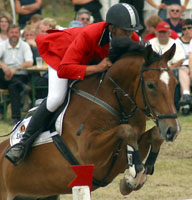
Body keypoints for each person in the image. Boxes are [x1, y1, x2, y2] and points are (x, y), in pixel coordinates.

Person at [5, 3, 143, 166]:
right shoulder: (90, 34)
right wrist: (96, 68)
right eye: (125, 30)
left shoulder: (133, 38)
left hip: (89, 60)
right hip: (62, 56)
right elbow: (65, 69)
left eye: (132, 30)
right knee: (56, 98)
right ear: (112, 27)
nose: (130, 34)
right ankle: (23, 143)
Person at [0, 24, 33, 125]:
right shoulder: (2, 45)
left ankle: (16, 118)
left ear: (19, 34)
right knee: (5, 76)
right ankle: (16, 117)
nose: (14, 35)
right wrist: (5, 67)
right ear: (8, 33)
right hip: (4, 75)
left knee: (13, 85)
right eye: (12, 32)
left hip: (20, 74)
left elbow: (29, 62)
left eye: (16, 33)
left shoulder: (24, 45)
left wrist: (15, 68)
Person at [149, 21, 185, 111]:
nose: (162, 34)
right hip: (154, 70)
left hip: (171, 69)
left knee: (174, 74)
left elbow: (180, 60)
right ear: (156, 33)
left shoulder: (175, 43)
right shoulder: (150, 43)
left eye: (164, 32)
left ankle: (175, 104)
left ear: (169, 33)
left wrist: (167, 70)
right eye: (160, 32)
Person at [177, 19, 192, 115]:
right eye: (184, 29)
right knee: (183, 70)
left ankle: (186, 104)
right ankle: (186, 98)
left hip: (189, 67)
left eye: (190, 28)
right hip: (182, 67)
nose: (187, 31)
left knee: (184, 72)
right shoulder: (177, 42)